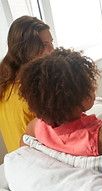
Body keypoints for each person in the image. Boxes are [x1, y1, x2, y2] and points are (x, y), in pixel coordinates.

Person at [19, 47, 102, 156]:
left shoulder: (38, 126)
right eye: (88, 84)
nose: (93, 88)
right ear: (74, 99)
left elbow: (24, 142)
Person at [0, 15, 54, 153]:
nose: (52, 49)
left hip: (18, 163)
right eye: (44, 45)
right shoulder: (35, 88)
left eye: (51, 42)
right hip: (37, 161)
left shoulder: (5, 82)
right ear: (26, 49)